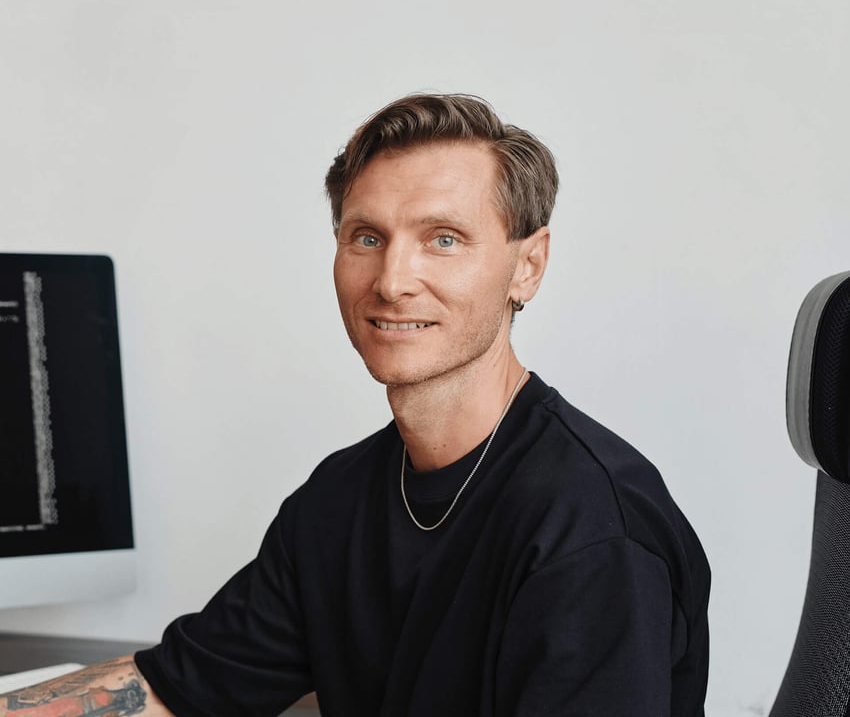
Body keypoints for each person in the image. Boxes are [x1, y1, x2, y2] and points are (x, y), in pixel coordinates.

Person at [0, 93, 710, 716]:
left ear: (528, 265)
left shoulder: (590, 533)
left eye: (444, 239)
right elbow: (176, 690)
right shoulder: (338, 502)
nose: (394, 280)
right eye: (367, 238)